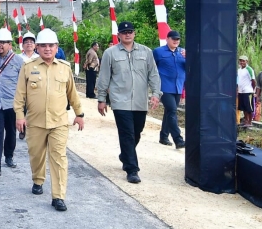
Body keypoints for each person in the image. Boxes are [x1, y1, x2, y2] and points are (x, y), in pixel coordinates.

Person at [13, 29, 84, 212]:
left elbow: (72, 94)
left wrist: (79, 114)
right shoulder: (28, 67)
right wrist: (20, 116)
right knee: (36, 155)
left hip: (59, 122)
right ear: (37, 47)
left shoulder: (64, 68)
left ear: (56, 47)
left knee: (59, 158)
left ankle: (58, 196)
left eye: (51, 45)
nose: (47, 49)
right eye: (43, 45)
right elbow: (20, 95)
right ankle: (38, 179)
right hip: (35, 122)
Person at [96, 21, 161, 184]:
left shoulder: (146, 52)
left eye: (130, 31)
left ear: (134, 33)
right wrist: (102, 99)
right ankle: (132, 169)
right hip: (120, 100)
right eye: (124, 32)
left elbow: (153, 74)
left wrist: (156, 94)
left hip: (140, 100)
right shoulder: (110, 53)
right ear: (118, 35)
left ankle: (125, 154)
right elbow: (104, 77)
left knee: (137, 132)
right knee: (127, 134)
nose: (127, 34)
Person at [0, 28, 24, 176]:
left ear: (9, 44)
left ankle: (9, 155)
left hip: (12, 103)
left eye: (3, 42)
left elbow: (23, 84)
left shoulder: (19, 61)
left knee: (11, 131)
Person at [152, 30, 186, 148]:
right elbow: (151, 68)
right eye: (173, 39)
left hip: (178, 87)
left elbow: (189, 69)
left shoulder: (183, 52)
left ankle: (163, 136)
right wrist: (153, 88)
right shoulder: (158, 52)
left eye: (178, 39)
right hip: (164, 87)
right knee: (172, 111)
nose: (176, 41)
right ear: (167, 39)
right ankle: (178, 139)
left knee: (169, 112)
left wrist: (190, 58)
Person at [237, 55, 256, 128]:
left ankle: (250, 121)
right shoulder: (239, 70)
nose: (242, 62)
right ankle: (246, 120)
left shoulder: (249, 69)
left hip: (248, 91)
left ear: (246, 61)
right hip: (241, 91)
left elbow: (253, 80)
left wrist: (253, 90)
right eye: (241, 61)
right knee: (244, 107)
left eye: (243, 61)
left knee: (249, 107)